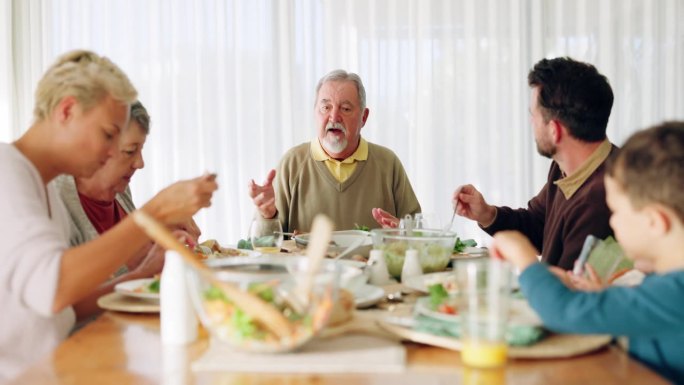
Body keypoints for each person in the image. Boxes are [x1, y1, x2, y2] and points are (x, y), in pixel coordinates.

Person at [0, 50, 218, 382]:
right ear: (67, 111)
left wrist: (141, 274)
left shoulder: (41, 187)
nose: (112, 152)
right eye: (108, 135)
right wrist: (154, 213)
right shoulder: (7, 174)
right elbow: (55, 288)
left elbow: (62, 308)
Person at [491, 121, 684, 383]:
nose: (612, 221)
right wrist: (604, 298)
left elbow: (563, 312)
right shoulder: (668, 284)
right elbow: (644, 315)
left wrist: (524, 259)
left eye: (616, 211)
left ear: (654, 221)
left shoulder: (674, 292)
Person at [452, 57, 618, 270]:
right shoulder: (567, 166)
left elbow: (564, 293)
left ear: (554, 130)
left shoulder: (599, 199)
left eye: (534, 116)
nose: (531, 122)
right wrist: (487, 214)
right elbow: (540, 226)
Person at [52, 101, 200, 322]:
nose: (140, 163)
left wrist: (159, 235)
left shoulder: (119, 190)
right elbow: (62, 307)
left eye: (140, 150)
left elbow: (138, 258)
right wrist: (140, 270)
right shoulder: (56, 201)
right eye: (130, 151)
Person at [248, 69, 420, 232]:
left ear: (364, 117)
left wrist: (404, 232)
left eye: (345, 109)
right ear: (315, 112)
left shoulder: (388, 164)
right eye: (326, 107)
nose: (334, 117)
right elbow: (264, 247)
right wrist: (267, 215)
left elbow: (419, 233)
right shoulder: (292, 163)